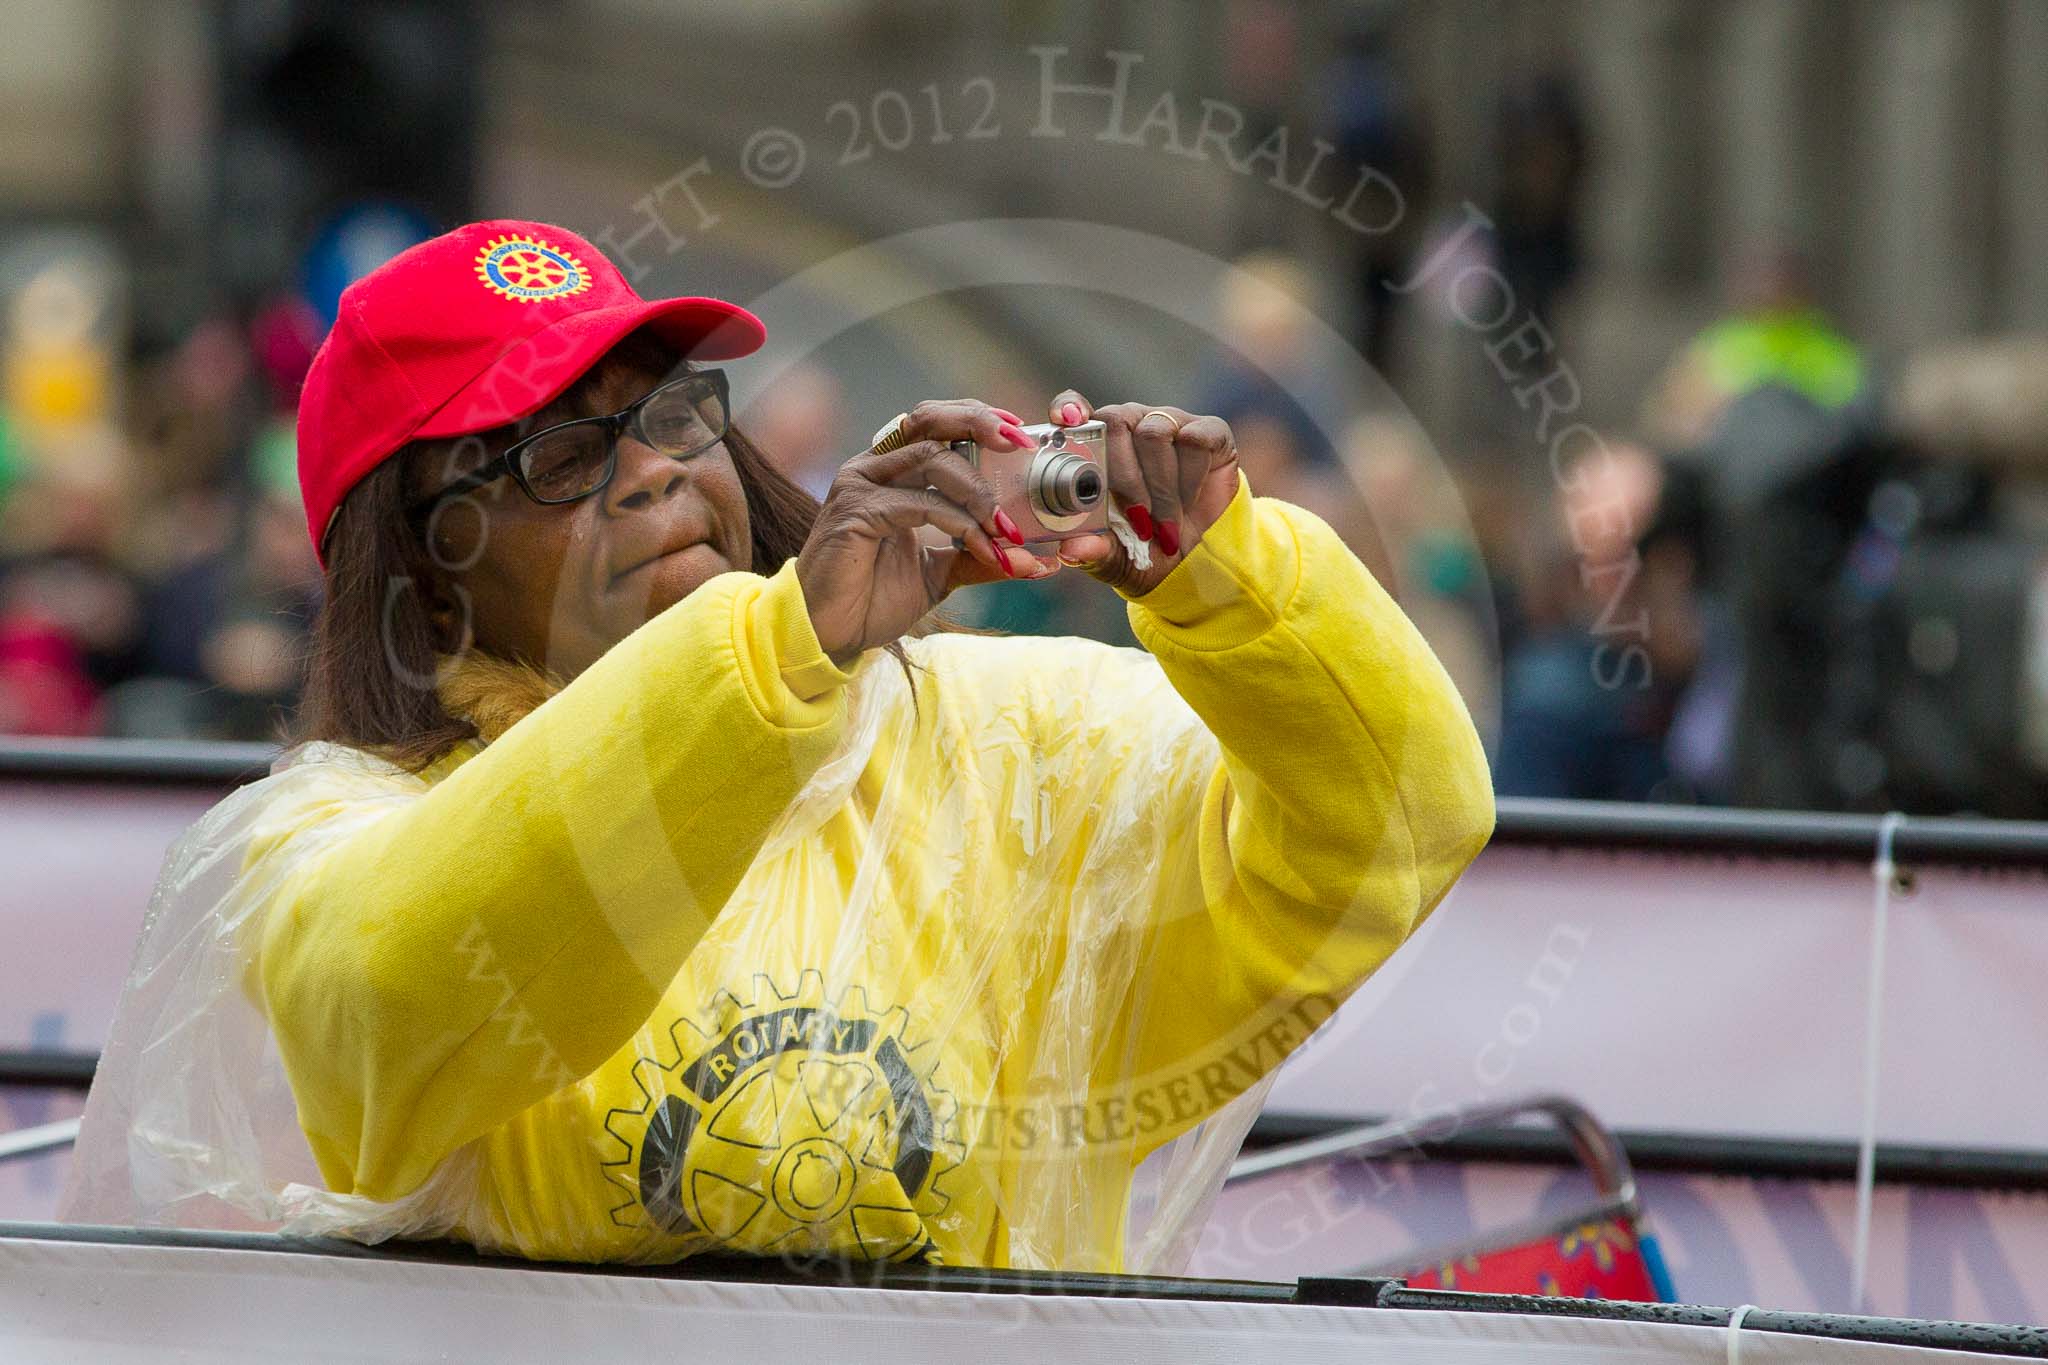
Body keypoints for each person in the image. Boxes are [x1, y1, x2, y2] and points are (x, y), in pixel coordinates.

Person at [67, 220, 1493, 1272]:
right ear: (420, 573)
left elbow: (1402, 821)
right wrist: (778, 655)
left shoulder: (996, 738)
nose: (655, 471)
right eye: (558, 456)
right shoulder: (334, 834)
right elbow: (391, 996)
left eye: (670, 414)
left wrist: (1228, 576)